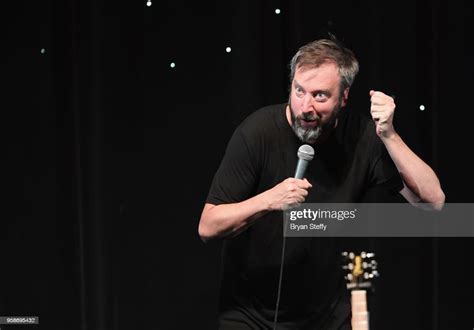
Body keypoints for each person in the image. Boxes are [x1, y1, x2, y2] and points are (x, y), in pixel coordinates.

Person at [198, 38, 445, 329]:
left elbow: (433, 203)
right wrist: (269, 200)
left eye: (320, 96)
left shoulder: (362, 138)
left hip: (326, 317)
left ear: (343, 97)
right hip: (251, 314)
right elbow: (208, 226)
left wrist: (389, 134)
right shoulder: (257, 132)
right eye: (299, 91)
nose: (306, 107)